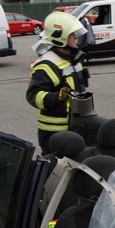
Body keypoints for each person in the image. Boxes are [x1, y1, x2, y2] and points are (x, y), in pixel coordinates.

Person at [26, 11, 90, 155]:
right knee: (54, 171)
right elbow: (33, 95)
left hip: (75, 127)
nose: (76, 37)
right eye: (72, 34)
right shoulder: (47, 64)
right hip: (54, 133)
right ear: (59, 37)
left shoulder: (72, 59)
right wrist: (57, 97)